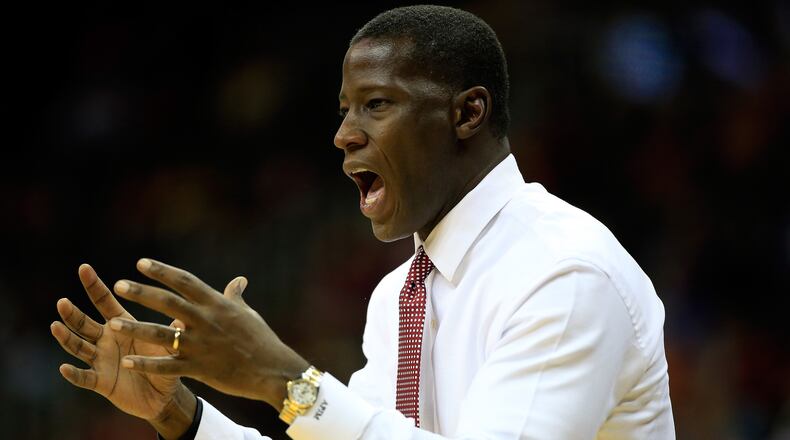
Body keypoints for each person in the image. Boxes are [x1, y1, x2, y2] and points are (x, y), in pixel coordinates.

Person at [50, 5, 675, 439]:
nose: (344, 135)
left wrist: (283, 378)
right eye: (346, 109)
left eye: (376, 104)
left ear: (468, 114)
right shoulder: (399, 293)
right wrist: (182, 417)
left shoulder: (563, 272)